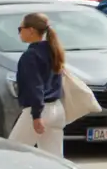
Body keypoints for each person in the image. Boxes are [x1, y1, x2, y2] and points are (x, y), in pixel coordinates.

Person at [8, 11, 66, 157]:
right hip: (57, 109)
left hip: (40, 111)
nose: (19, 32)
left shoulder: (31, 56)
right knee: (54, 158)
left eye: (20, 29)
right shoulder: (54, 51)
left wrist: (36, 115)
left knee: (12, 152)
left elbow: (35, 87)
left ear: (31, 30)